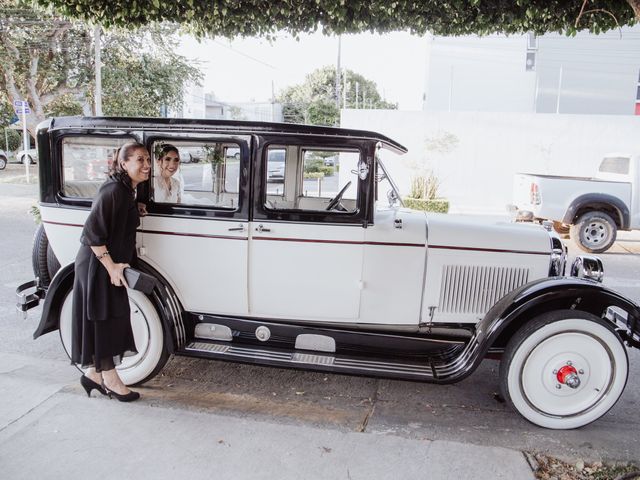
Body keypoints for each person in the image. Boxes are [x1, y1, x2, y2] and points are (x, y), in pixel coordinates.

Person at [72, 141, 151, 402]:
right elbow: (91, 235)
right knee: (106, 320)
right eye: (139, 160)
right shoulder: (114, 190)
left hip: (108, 265)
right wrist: (112, 266)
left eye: (147, 159)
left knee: (111, 318)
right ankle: (111, 379)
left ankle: (93, 376)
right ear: (123, 163)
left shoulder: (127, 191)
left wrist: (135, 209)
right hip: (98, 265)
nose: (146, 165)